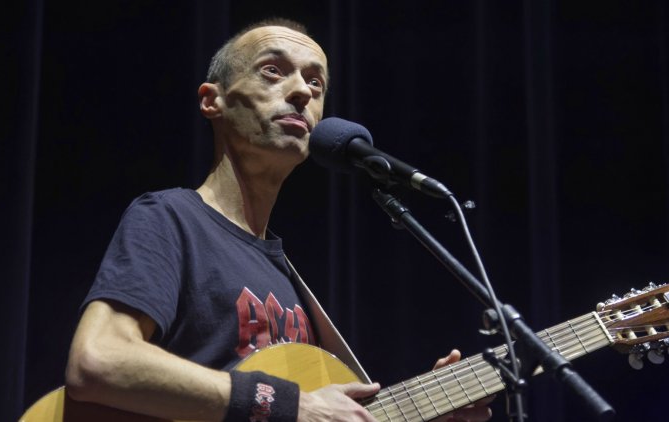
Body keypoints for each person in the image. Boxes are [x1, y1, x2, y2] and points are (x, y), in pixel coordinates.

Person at [64, 18, 492, 422]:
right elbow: (98, 360)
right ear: (212, 100)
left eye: (315, 82)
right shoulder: (172, 217)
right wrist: (286, 404)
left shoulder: (289, 280)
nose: (302, 91)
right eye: (272, 70)